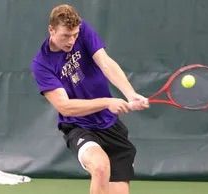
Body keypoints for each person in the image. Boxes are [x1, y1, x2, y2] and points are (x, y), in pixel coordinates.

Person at [30, 4, 149, 194]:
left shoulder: (83, 30)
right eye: (66, 36)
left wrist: (130, 93)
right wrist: (107, 102)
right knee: (100, 167)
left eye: (75, 35)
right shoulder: (41, 64)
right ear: (51, 30)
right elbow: (65, 107)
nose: (71, 40)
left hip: (110, 126)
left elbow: (105, 63)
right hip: (79, 126)